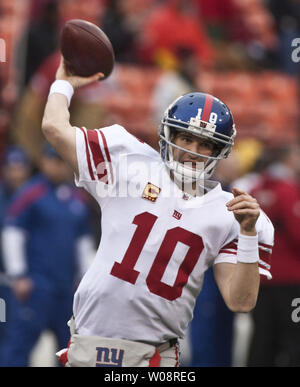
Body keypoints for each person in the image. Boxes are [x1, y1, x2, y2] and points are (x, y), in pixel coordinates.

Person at [40, 59, 274, 367]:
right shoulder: (130, 163)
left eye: (205, 144)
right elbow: (54, 128)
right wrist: (64, 84)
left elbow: (240, 301)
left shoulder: (231, 212)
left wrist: (247, 232)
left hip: (152, 356)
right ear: (168, 136)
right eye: (186, 138)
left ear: (220, 152)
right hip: (87, 345)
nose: (192, 150)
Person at [0, 145, 94, 366]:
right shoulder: (31, 193)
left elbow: (84, 242)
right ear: (44, 161)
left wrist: (86, 278)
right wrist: (18, 274)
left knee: (70, 350)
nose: (58, 166)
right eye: (53, 160)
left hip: (66, 288)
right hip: (37, 286)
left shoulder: (78, 199)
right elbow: (13, 233)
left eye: (62, 161)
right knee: (18, 346)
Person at [244, 143, 300, 366]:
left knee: (262, 337)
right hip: (290, 280)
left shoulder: (256, 188)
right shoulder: (288, 191)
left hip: (261, 276)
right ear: (288, 159)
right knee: (293, 337)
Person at [0, 146, 31, 342]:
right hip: (3, 279)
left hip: (27, 280)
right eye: (12, 167)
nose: (16, 173)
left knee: (18, 334)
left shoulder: (34, 197)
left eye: (20, 167)